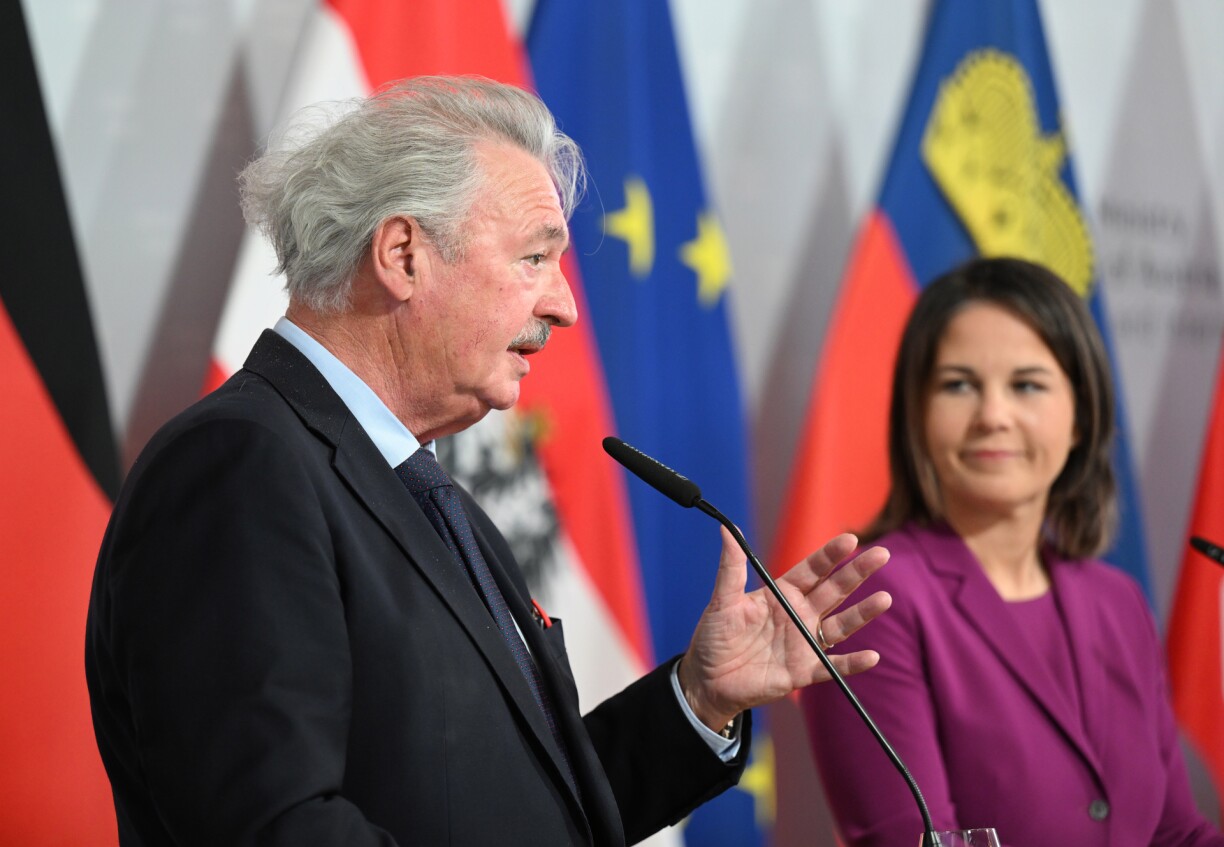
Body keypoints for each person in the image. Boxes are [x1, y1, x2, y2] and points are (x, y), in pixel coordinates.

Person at [85, 76, 892, 847]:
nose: (564, 305)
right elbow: (274, 825)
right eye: (535, 258)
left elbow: (523, 811)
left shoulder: (433, 498)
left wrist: (700, 697)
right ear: (403, 255)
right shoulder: (239, 467)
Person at [803, 257, 1224, 847]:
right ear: (915, 414)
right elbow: (913, 841)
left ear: (1080, 417)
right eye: (959, 385)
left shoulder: (1118, 600)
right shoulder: (869, 596)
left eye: (1026, 385)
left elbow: (1173, 832)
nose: (993, 417)